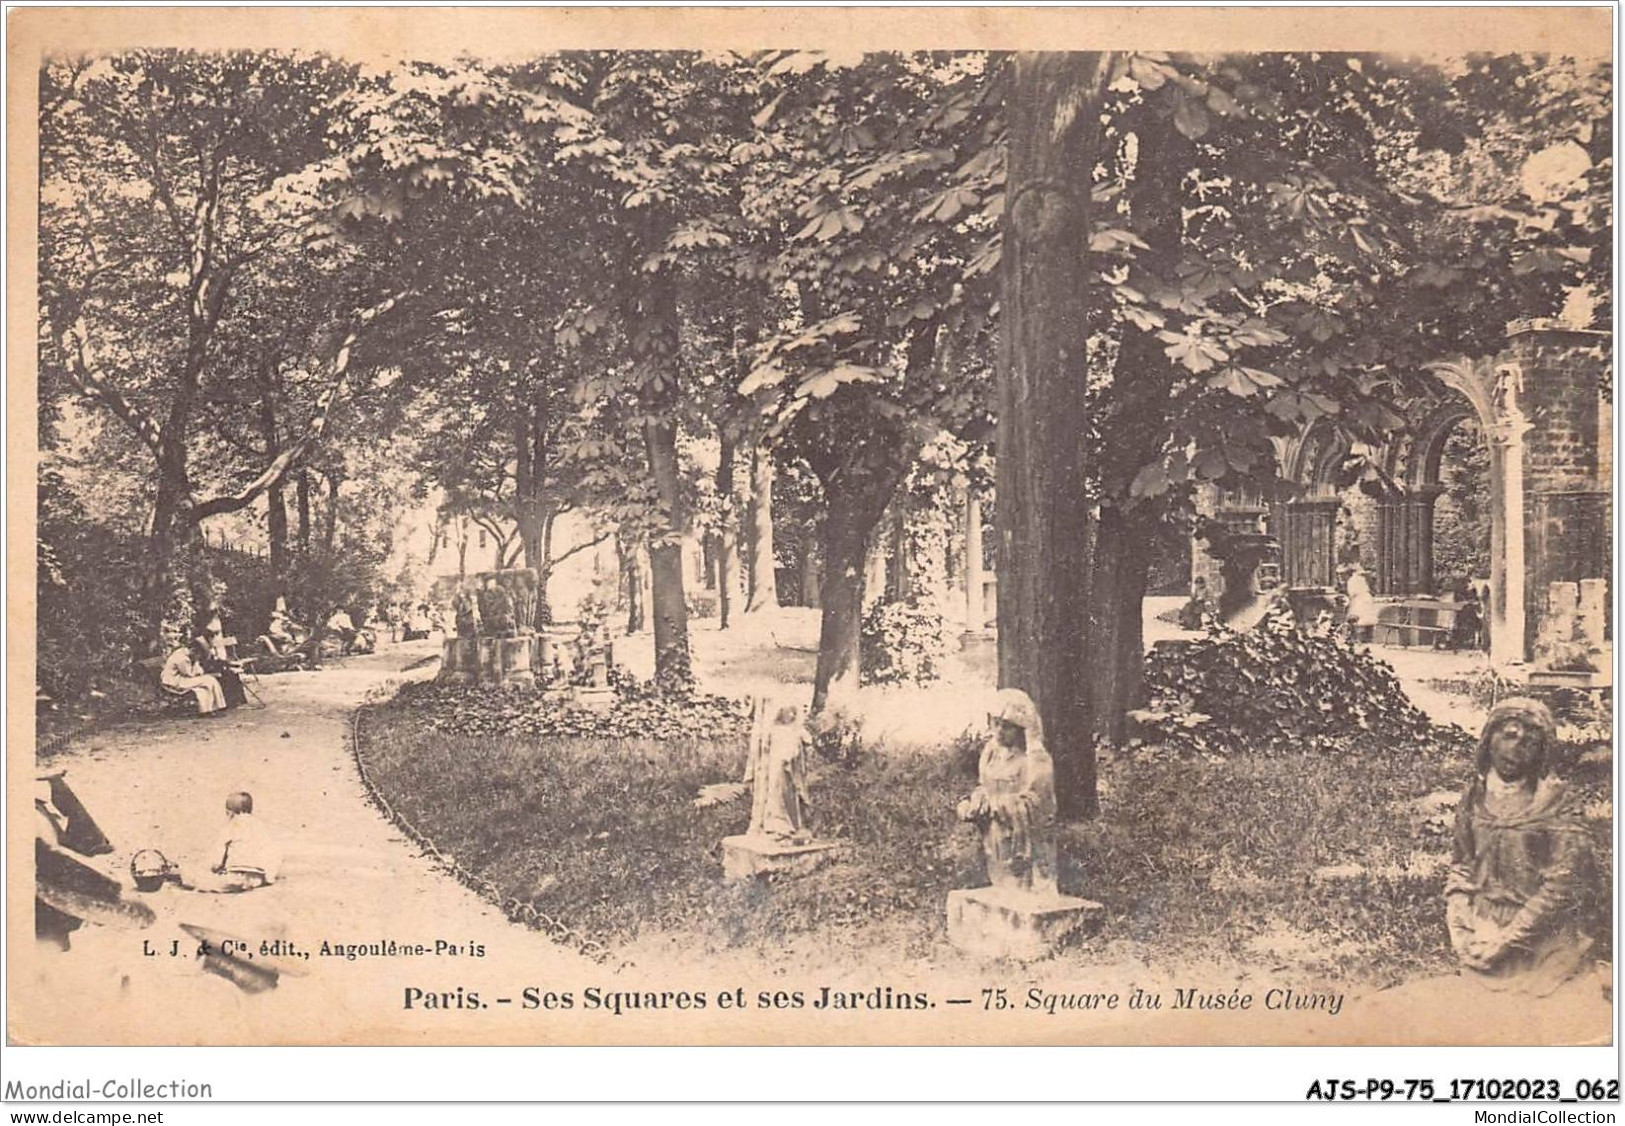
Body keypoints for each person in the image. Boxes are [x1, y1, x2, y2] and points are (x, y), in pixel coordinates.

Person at [1445, 697, 1596, 995]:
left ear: (1543, 751)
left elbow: (1561, 886)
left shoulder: (1558, 804)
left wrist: (1508, 940)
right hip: (1484, 927)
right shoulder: (1474, 796)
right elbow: (1462, 865)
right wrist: (1459, 925)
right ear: (1489, 739)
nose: (1517, 746)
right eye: (1509, 735)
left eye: (1531, 740)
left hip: (1542, 937)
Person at [957, 689, 1058, 896]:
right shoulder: (990, 753)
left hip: (1020, 836)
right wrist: (975, 802)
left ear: (1022, 729)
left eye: (1008, 727)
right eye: (997, 724)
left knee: (1020, 882)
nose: (1000, 731)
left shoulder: (1033, 760)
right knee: (1001, 877)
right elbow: (984, 785)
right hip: (995, 831)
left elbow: (1037, 801)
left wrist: (1000, 804)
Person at [177, 792, 283, 894]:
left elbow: (216, 859)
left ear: (229, 812)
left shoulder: (230, 826)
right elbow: (273, 852)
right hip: (257, 878)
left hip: (235, 877)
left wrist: (212, 868)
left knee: (198, 878)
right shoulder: (261, 826)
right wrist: (268, 877)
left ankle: (177, 872)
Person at [745, 697, 813, 843]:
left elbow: (800, 723)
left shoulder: (791, 727)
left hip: (787, 750)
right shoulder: (770, 727)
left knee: (784, 787)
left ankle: (786, 825)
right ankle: (773, 825)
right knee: (772, 786)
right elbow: (752, 712)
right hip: (771, 750)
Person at [160, 639, 228, 716]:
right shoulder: (181, 657)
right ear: (192, 650)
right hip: (174, 681)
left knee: (205, 687)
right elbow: (189, 673)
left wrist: (197, 666)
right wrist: (196, 663)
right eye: (198, 654)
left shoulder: (187, 655)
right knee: (209, 680)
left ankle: (209, 709)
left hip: (182, 678)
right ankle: (219, 705)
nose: (198, 657)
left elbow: (197, 672)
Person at [193, 635, 248, 709]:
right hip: (202, 669)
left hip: (210, 666)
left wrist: (228, 663)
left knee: (230, 673)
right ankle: (231, 701)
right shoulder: (201, 645)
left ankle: (237, 700)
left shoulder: (207, 646)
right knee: (227, 674)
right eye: (211, 638)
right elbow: (205, 662)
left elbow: (215, 659)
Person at [1344, 563, 1378, 643]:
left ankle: (1359, 639)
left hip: (1359, 601)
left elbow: (1352, 593)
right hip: (1367, 599)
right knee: (1367, 619)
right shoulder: (1362, 579)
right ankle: (1367, 638)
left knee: (1358, 619)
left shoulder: (1352, 580)